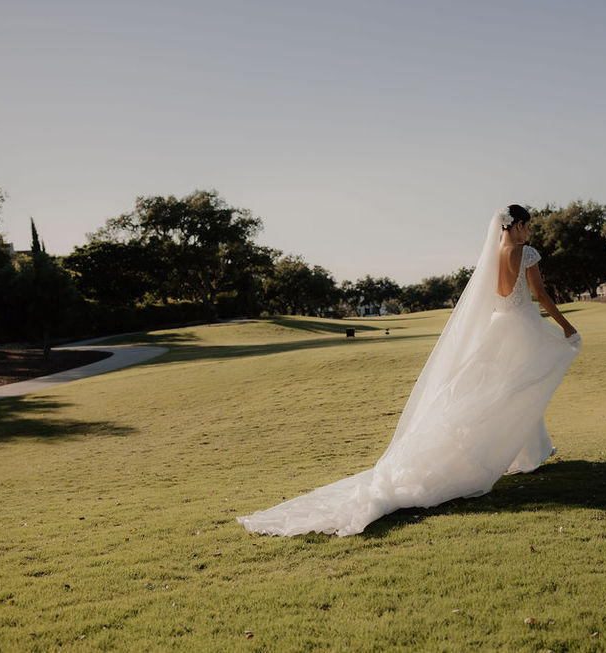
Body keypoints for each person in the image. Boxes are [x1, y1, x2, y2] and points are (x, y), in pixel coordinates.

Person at [239, 205, 581, 536]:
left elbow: (490, 300)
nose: (529, 231)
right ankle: (516, 453)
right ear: (517, 225)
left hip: (497, 327)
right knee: (516, 390)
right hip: (520, 328)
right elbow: (540, 294)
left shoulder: (490, 256)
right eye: (527, 225)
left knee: (505, 391)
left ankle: (528, 450)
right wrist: (565, 326)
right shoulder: (527, 254)